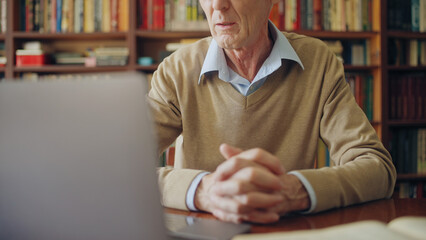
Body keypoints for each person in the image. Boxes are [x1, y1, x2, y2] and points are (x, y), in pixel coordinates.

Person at [148, 0, 396, 224]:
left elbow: (377, 168)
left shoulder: (318, 62)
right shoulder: (176, 70)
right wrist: (203, 191)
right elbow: (120, 169)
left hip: (286, 230)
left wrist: (296, 191)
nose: (218, 5)